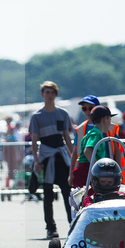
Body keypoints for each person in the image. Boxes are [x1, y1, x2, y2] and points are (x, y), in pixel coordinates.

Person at [29, 81, 74, 239]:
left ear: (55, 94)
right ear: (42, 95)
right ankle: (50, 227)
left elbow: (67, 138)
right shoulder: (37, 116)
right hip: (46, 157)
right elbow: (34, 140)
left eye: (52, 92)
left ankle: (73, 224)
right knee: (48, 194)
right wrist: (36, 161)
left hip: (61, 157)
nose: (49, 95)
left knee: (67, 192)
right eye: (47, 92)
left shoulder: (62, 114)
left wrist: (73, 158)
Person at [72, 105, 115, 188]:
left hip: (85, 171)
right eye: (110, 119)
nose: (110, 123)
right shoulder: (96, 134)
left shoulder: (93, 132)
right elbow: (87, 151)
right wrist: (98, 168)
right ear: (105, 119)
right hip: (86, 172)